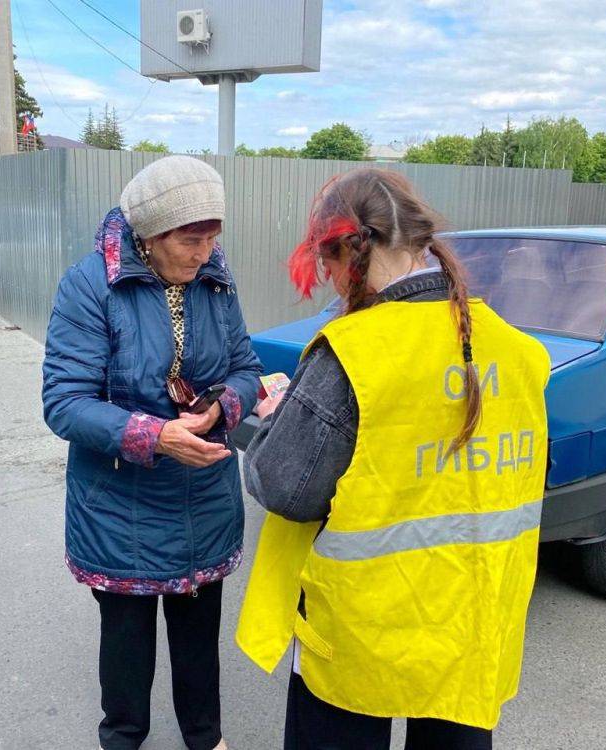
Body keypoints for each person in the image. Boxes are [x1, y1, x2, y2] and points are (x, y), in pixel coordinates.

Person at [235, 169, 550, 749]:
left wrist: (283, 417)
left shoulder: (354, 352)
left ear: (346, 252)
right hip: (473, 618)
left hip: (365, 627)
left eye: (324, 264)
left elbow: (283, 486)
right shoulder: (516, 348)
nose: (327, 281)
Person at [42, 156, 262, 750]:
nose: (205, 252)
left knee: (198, 635)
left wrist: (221, 409)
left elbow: (245, 368)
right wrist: (155, 436)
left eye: (214, 237)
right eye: (191, 240)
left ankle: (205, 737)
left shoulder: (217, 279)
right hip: (119, 505)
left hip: (203, 497)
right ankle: (122, 738)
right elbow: (64, 401)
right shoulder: (92, 285)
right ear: (150, 235)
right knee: (127, 642)